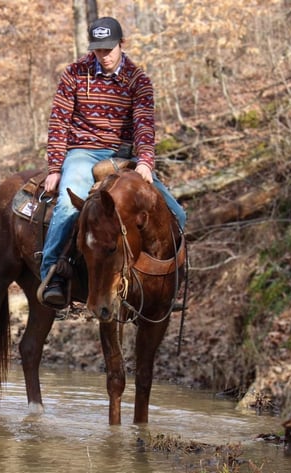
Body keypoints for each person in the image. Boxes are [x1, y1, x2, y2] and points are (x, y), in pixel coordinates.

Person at [39, 16, 186, 308]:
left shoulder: (138, 79)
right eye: (98, 50)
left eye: (109, 49)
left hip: (124, 157)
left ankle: (167, 285)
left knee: (177, 214)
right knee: (69, 205)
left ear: (121, 44)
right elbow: (59, 123)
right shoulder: (75, 74)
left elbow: (144, 124)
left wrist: (145, 161)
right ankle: (52, 275)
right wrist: (56, 167)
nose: (103, 56)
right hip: (83, 151)